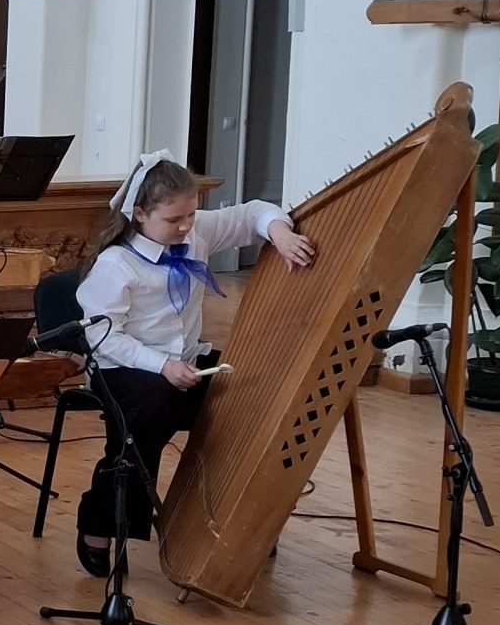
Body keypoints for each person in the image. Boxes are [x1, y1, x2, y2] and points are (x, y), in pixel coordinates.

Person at [73, 153, 317, 577]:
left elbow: (252, 214)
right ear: (139, 214)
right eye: (174, 219)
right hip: (123, 368)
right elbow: (103, 337)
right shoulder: (116, 264)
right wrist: (161, 366)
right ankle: (101, 524)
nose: (186, 226)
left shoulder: (195, 230)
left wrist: (278, 232)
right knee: (145, 417)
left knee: (254, 394)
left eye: (190, 214)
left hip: (185, 361)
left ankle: (234, 515)